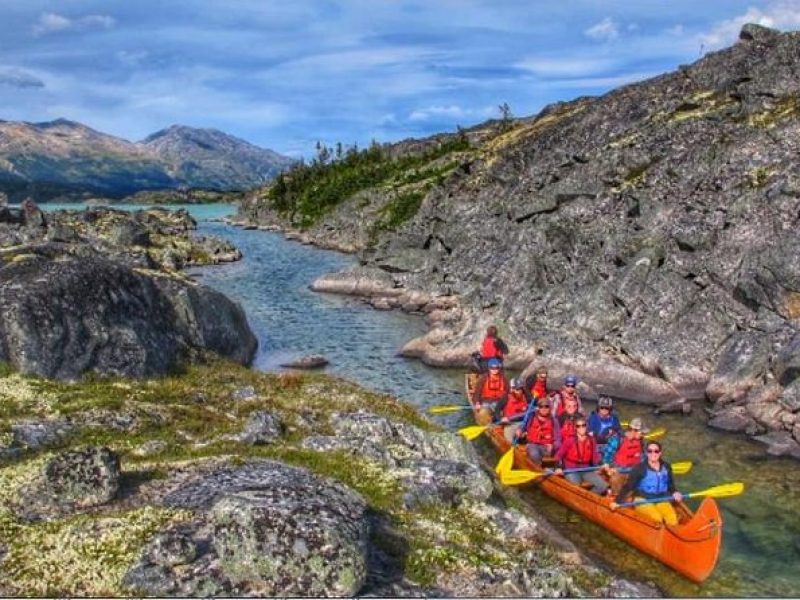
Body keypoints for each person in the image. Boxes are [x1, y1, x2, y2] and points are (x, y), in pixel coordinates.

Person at [611, 440, 683, 526]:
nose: (653, 453)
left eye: (656, 451)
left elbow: (670, 484)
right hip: (642, 499)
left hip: (661, 498)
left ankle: (670, 535)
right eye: (650, 451)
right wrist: (617, 502)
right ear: (647, 453)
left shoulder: (666, 467)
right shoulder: (639, 468)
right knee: (657, 519)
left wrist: (675, 492)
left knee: (672, 519)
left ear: (660, 453)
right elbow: (628, 486)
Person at [553, 417, 609, 495]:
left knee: (603, 486)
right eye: (578, 426)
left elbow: (595, 456)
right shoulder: (569, 440)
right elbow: (558, 456)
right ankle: (582, 498)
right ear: (575, 428)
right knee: (576, 488)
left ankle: (589, 498)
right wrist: (558, 467)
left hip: (586, 469)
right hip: (571, 470)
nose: (581, 428)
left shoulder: (591, 440)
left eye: (583, 425)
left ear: (587, 426)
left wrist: (603, 464)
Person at [603, 417, 647, 495]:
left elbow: (642, 457)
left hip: (634, 471)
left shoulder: (640, 441)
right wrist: (609, 468)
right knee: (615, 479)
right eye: (642, 432)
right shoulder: (617, 440)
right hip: (619, 470)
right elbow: (607, 457)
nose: (644, 435)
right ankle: (614, 496)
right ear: (633, 430)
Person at [517, 396, 560, 466]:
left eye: (546, 406)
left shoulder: (554, 421)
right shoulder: (531, 417)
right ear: (538, 408)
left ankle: (552, 470)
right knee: (534, 454)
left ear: (550, 408)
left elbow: (558, 439)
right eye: (541, 406)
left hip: (546, 447)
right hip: (533, 444)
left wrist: (553, 446)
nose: (544, 409)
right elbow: (523, 426)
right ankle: (539, 470)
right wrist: (519, 430)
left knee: (557, 456)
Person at [471, 358, 509, 425]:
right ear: (489, 368)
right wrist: (476, 403)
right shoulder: (483, 378)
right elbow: (477, 393)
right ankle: (488, 425)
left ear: (499, 368)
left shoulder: (504, 378)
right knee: (482, 413)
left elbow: (508, 392)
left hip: (500, 403)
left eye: (496, 368)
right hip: (486, 402)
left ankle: (499, 422)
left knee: (505, 414)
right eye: (492, 368)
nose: (494, 370)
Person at [495, 377, 529, 443]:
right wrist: (500, 418)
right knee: (508, 439)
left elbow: (536, 403)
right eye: (517, 389)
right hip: (509, 424)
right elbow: (497, 409)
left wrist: (522, 428)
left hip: (523, 423)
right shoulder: (506, 398)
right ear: (512, 389)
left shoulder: (526, 397)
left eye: (520, 389)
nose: (519, 391)